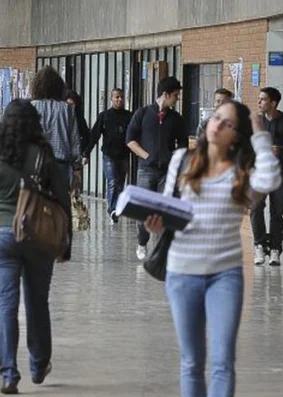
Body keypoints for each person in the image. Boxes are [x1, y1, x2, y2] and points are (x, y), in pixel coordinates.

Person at [144, 101, 280, 397]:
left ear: (238, 136)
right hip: (182, 271)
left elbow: (270, 182)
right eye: (215, 117)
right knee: (191, 361)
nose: (216, 125)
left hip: (225, 274)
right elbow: (167, 208)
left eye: (227, 123)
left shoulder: (243, 171)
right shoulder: (181, 161)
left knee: (222, 361)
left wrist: (261, 132)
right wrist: (156, 224)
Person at [0, 99, 72, 395]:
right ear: (35, 124)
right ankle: (39, 365)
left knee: (5, 304)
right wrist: (65, 241)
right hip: (38, 237)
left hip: (1, 237)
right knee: (37, 302)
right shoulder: (44, 155)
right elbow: (62, 198)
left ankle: (8, 374)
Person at [127, 75, 188, 260]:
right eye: (175, 95)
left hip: (167, 172)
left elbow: (183, 143)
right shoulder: (143, 113)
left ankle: (161, 250)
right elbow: (130, 139)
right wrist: (146, 155)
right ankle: (142, 241)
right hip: (146, 170)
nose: (177, 99)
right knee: (144, 211)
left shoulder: (176, 118)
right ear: (165, 94)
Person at [250, 87, 283, 266]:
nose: (259, 103)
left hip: (280, 173)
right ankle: (259, 244)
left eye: (263, 99)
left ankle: (275, 249)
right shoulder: (257, 122)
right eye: (259, 99)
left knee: (277, 211)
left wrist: (281, 150)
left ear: (273, 103)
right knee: (256, 207)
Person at [84, 88, 132, 223]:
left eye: (121, 97)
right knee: (112, 181)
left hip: (124, 154)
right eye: (117, 97)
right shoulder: (104, 116)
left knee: (120, 183)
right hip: (109, 155)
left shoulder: (129, 116)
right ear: (111, 99)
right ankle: (112, 210)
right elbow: (94, 135)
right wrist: (86, 153)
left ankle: (116, 207)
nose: (119, 100)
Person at [30, 66, 81, 189]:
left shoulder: (31, 107)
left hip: (36, 164)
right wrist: (77, 168)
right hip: (60, 165)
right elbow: (74, 140)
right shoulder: (67, 109)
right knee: (58, 205)